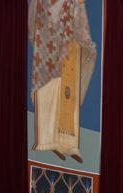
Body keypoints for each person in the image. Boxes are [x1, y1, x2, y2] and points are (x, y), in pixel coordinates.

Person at [29, 0, 97, 163]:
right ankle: (48, 139)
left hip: (71, 48)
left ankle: (69, 145)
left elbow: (81, 22)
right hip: (50, 46)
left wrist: (86, 42)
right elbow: (36, 15)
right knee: (52, 91)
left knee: (70, 96)